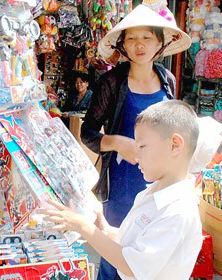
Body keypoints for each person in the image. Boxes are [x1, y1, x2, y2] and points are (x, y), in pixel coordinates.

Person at [79, 3, 192, 279]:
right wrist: (118, 142)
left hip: (158, 185)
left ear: (159, 44)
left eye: (146, 38)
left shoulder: (168, 81)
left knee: (148, 260)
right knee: (113, 250)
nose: (139, 45)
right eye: (131, 38)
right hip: (120, 184)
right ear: (123, 45)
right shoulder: (111, 83)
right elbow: (88, 133)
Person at [41, 100, 202, 280]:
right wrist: (103, 228)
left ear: (175, 145)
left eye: (142, 147)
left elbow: (132, 265)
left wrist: (83, 226)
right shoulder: (153, 193)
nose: (136, 155)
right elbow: (132, 243)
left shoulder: (178, 212)